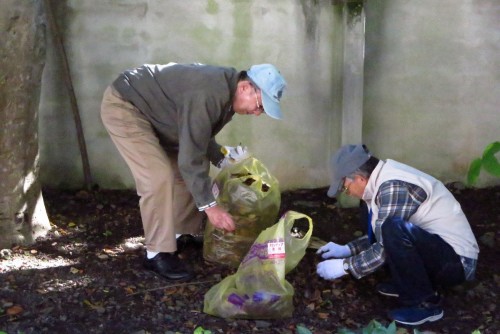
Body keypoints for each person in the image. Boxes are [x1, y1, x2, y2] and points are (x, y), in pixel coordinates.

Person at [100, 62, 287, 281]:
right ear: (246, 87)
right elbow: (191, 157)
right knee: (158, 176)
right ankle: (156, 253)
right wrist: (212, 208)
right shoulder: (209, 93)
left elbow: (198, 134)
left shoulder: (227, 94)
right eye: (260, 105)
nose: (257, 113)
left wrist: (221, 157)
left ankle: (181, 233)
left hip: (160, 116)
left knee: (187, 172)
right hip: (128, 105)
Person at [316, 144, 479, 326]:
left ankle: (426, 304)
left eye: (346, 188)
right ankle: (407, 285)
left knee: (393, 227)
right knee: (383, 222)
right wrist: (347, 249)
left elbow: (387, 242)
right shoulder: (380, 182)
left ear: (360, 179)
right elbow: (380, 234)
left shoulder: (393, 186)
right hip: (438, 253)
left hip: (457, 263)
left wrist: (346, 266)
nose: (349, 193)